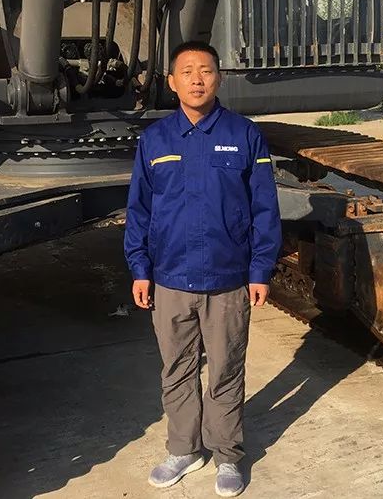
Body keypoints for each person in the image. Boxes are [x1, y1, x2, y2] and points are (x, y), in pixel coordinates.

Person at [124, 41, 281, 497]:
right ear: (171, 82)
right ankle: (184, 449)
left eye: (206, 70)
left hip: (227, 279)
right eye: (187, 71)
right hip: (170, 278)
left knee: (226, 370)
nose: (197, 79)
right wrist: (140, 268)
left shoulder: (245, 134)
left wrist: (259, 270)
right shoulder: (155, 140)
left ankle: (227, 455)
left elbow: (264, 209)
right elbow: (139, 210)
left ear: (219, 78)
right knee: (176, 368)